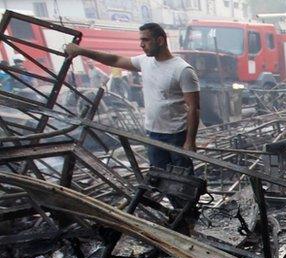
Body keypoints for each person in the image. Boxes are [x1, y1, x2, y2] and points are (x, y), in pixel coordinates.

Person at [65, 22, 200, 173]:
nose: (141, 44)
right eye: (141, 40)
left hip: (176, 135)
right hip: (153, 133)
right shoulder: (145, 61)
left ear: (160, 41)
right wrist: (82, 51)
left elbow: (193, 108)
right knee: (159, 177)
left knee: (183, 181)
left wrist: (190, 141)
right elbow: (115, 60)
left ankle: (184, 198)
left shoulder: (182, 70)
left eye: (145, 40)